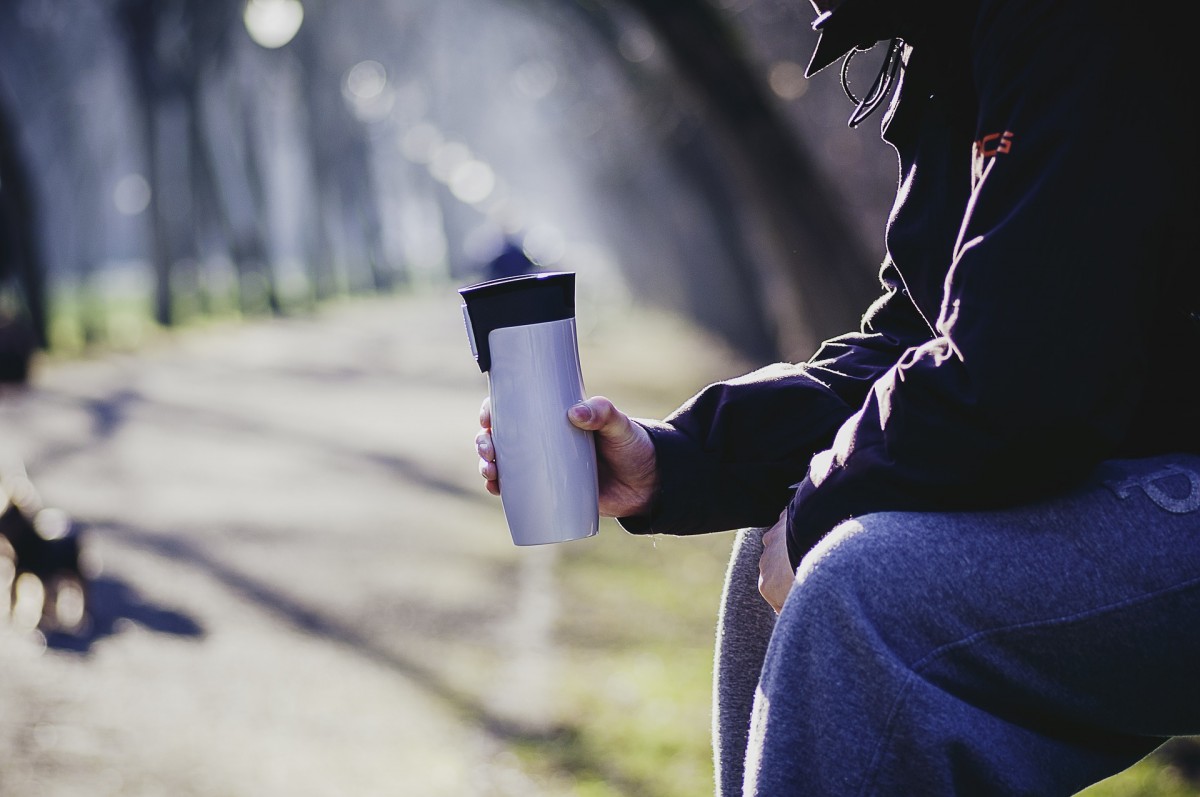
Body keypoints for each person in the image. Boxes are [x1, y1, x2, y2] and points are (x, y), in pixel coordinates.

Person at [475, 0, 1200, 793]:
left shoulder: (1076, 24)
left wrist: (827, 497)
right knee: (780, 549)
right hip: (1146, 464)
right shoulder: (949, 44)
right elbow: (916, 344)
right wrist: (678, 459)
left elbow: (1028, 376)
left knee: (860, 591)